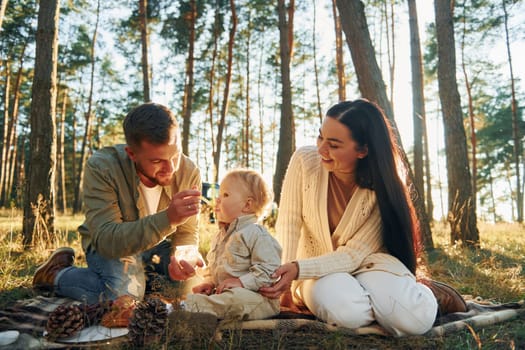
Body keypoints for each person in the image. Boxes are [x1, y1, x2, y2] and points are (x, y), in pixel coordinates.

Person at [259, 99, 467, 336]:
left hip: (369, 263)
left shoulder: (382, 188)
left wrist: (297, 268)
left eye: (334, 145)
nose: (321, 149)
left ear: (363, 150)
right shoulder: (304, 161)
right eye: (320, 137)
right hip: (314, 270)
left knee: (413, 321)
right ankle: (381, 302)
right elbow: (289, 223)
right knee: (346, 314)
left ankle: (427, 295)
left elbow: (354, 254)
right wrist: (286, 279)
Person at [33, 102, 204, 305]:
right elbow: (107, 240)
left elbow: (187, 231)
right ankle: (57, 274)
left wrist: (182, 256)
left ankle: (141, 277)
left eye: (175, 155)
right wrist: (168, 218)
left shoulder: (189, 171)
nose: (171, 168)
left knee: (196, 284)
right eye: (157, 161)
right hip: (110, 246)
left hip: (157, 245)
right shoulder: (102, 167)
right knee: (124, 297)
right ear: (131, 154)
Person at [182, 169, 282, 320]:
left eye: (225, 195)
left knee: (236, 299)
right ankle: (192, 308)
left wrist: (241, 282)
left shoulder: (256, 234)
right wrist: (210, 282)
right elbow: (217, 266)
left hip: (257, 299)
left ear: (247, 205)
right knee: (222, 298)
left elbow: (270, 271)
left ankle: (185, 308)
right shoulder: (220, 235)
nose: (218, 200)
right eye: (219, 194)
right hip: (227, 294)